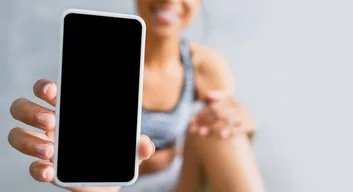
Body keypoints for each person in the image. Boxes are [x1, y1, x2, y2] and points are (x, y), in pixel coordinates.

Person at [6, 0, 265, 191]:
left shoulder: (205, 65)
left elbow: (230, 143)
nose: (170, 1)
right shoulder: (99, 61)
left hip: (179, 184)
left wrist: (246, 124)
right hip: (111, 188)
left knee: (217, 132)